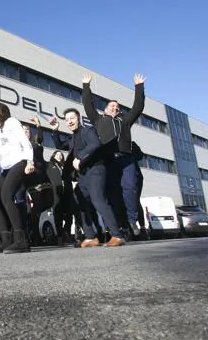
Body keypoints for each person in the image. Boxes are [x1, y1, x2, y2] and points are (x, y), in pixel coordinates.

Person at [82, 73, 146, 237]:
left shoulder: (124, 121)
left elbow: (137, 107)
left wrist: (139, 87)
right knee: (112, 193)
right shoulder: (98, 120)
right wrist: (86, 86)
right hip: (108, 159)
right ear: (105, 108)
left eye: (117, 107)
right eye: (111, 106)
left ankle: (132, 220)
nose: (115, 108)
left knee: (130, 186)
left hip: (126, 158)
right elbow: (88, 105)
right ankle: (119, 225)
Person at [50, 109, 125, 247]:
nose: (70, 121)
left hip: (96, 170)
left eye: (72, 118)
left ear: (78, 118)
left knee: (98, 200)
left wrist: (80, 157)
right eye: (67, 120)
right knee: (78, 202)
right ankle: (91, 237)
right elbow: (59, 145)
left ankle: (117, 235)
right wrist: (55, 130)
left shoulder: (88, 131)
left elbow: (95, 144)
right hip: (83, 175)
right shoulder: (73, 138)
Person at [0, 103, 34, 254]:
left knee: (6, 195)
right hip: (5, 168)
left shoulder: (12, 122)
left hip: (20, 162)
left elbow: (25, 142)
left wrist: (30, 161)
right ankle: (6, 240)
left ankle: (21, 240)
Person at [46, 150, 73, 244]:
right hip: (56, 192)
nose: (60, 156)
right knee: (58, 215)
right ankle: (60, 236)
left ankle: (67, 233)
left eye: (61, 155)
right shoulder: (50, 165)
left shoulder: (65, 166)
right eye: (57, 154)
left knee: (69, 214)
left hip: (67, 192)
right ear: (53, 155)